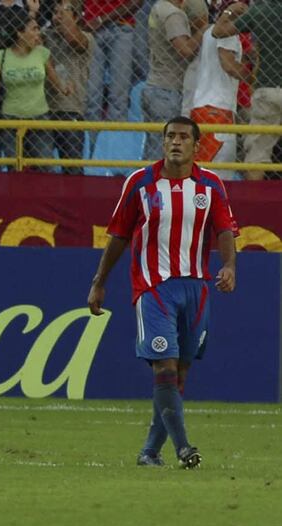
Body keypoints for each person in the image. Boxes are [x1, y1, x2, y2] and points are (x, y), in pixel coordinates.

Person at [87, 116, 237, 469]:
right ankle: (184, 448)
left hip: (196, 288)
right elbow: (119, 235)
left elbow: (225, 230)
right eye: (170, 136)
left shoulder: (211, 185)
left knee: (180, 372)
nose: (176, 142)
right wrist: (99, 281)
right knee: (164, 367)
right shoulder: (140, 183)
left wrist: (229, 266)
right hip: (154, 288)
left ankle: (149, 452)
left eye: (184, 137)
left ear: (196, 146)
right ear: (163, 142)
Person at [0, 16, 70, 170]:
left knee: (45, 166)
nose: (39, 33)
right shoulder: (1, 56)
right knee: (15, 167)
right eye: (34, 29)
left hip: (40, 117)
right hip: (11, 118)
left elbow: (56, 82)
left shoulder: (42, 53)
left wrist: (65, 88)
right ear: (20, 33)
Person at [213, 0, 282, 181]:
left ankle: (255, 203)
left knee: (258, 153)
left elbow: (218, 32)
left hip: (269, 86)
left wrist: (229, 11)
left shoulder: (260, 11)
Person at [189, 2, 251, 181]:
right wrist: (253, 76)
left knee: (202, 170)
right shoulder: (228, 33)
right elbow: (229, 65)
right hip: (218, 109)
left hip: (202, 106)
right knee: (218, 175)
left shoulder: (209, 32)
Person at [141, 0, 205, 161]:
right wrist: (204, 29)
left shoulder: (159, 7)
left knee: (154, 146)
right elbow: (185, 49)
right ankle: (153, 184)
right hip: (166, 90)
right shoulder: (173, 14)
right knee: (162, 151)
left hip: (155, 86)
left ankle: (148, 183)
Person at [44, 0, 93, 174]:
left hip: (70, 110)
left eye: (63, 12)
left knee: (72, 169)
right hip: (45, 111)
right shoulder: (45, 35)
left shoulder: (86, 38)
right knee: (42, 168)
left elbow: (73, 39)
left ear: (75, 16)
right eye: (55, 12)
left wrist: (65, 13)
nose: (57, 16)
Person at [83, 1, 141, 126]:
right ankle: (90, 144)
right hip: (92, 27)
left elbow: (137, 2)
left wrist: (101, 19)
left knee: (118, 97)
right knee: (91, 96)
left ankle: (115, 144)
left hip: (121, 25)